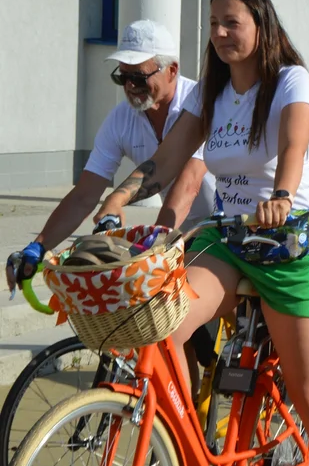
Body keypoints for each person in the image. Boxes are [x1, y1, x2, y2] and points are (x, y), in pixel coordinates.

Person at [92, 0, 309, 466]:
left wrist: (281, 194)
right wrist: (120, 196)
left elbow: (295, 145)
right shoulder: (209, 93)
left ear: (260, 27)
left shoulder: (289, 80)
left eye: (233, 23)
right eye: (215, 24)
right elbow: (167, 159)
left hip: (289, 240)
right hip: (230, 238)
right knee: (160, 325)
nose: (221, 34)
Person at [5, 19, 215, 292]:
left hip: (224, 224)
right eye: (122, 76)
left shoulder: (199, 102)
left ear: (172, 70)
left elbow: (189, 186)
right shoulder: (120, 118)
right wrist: (38, 245)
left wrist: (149, 256)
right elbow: (83, 196)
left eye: (139, 77)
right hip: (178, 229)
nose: (129, 86)